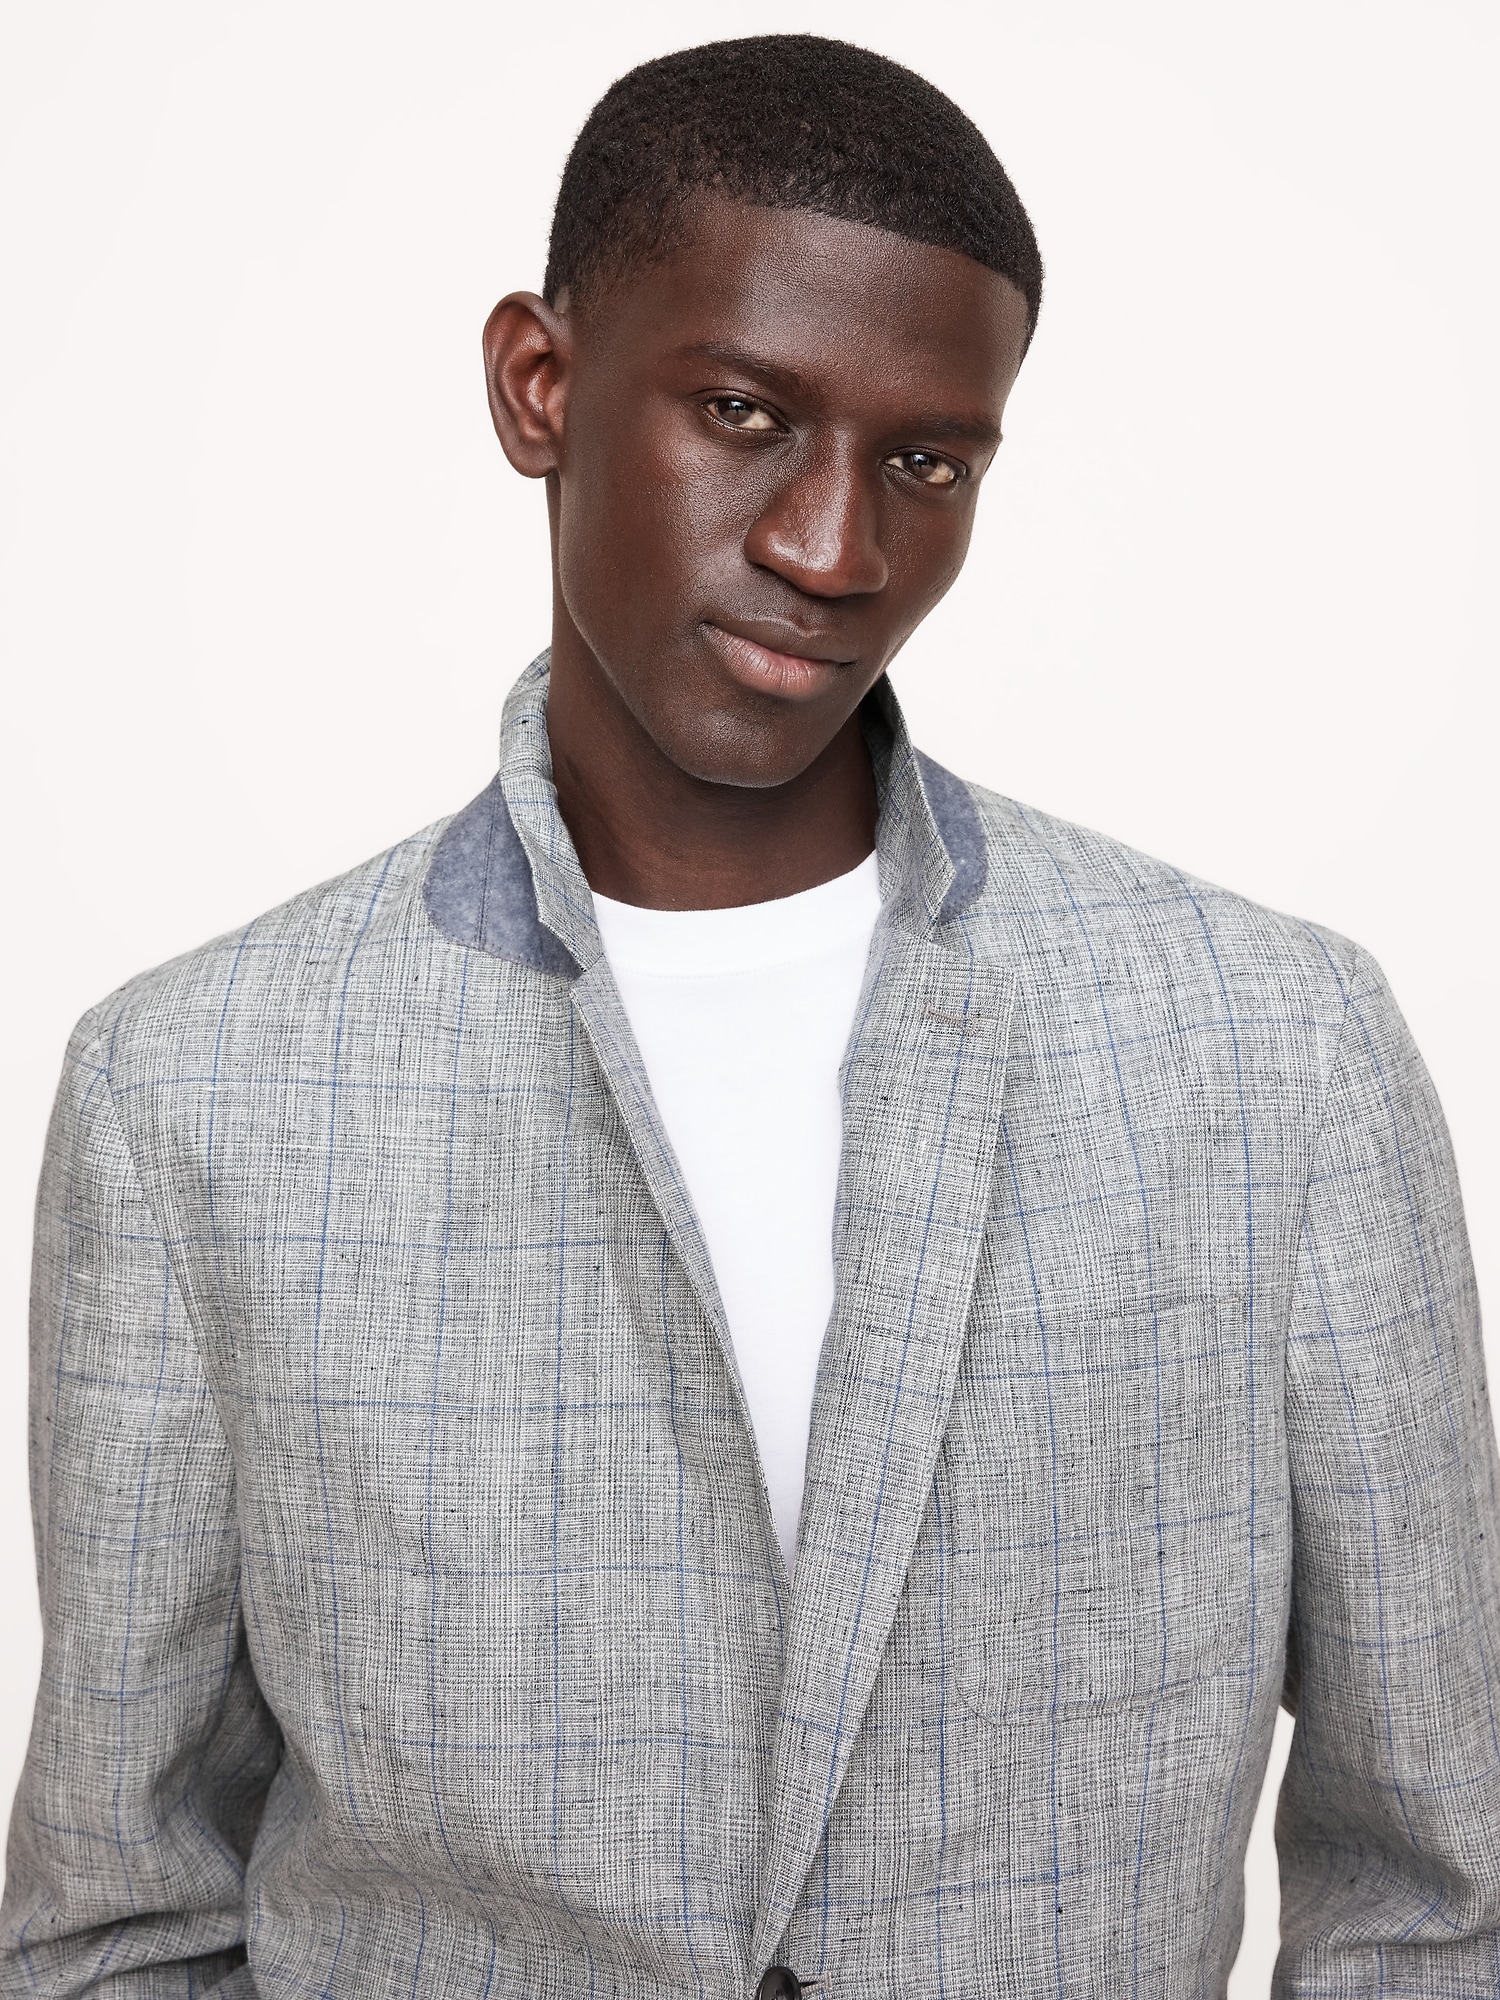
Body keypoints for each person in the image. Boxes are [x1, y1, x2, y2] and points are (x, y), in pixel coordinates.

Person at [3, 31, 1497, 2000]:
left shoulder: (1275, 1053)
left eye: (927, 462)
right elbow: (120, 1924)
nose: (832, 550)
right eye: (743, 412)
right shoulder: (195, 1096)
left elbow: (1437, 1904)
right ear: (539, 386)